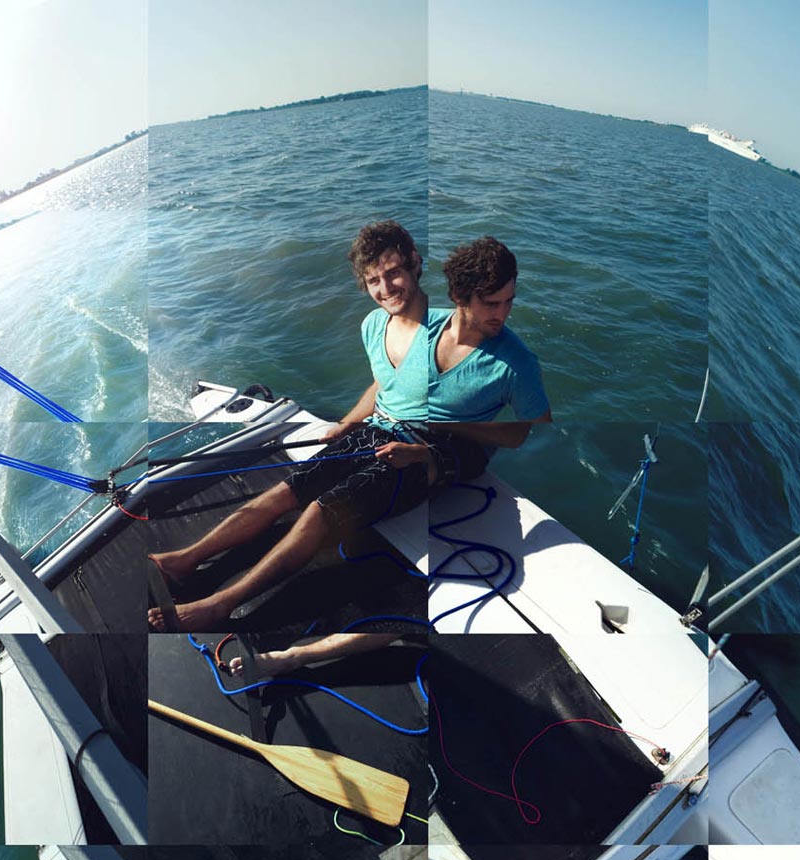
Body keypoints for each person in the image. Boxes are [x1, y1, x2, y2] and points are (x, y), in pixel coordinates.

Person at [147, 224, 550, 632]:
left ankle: (220, 605)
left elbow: (519, 433)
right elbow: (386, 384)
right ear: (461, 298)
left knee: (320, 512)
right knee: (287, 491)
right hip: (378, 431)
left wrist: (442, 434)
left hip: (428, 454)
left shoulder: (517, 363)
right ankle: (185, 560)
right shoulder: (426, 327)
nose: (502, 313)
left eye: (508, 301)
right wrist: (347, 422)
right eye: (491, 303)